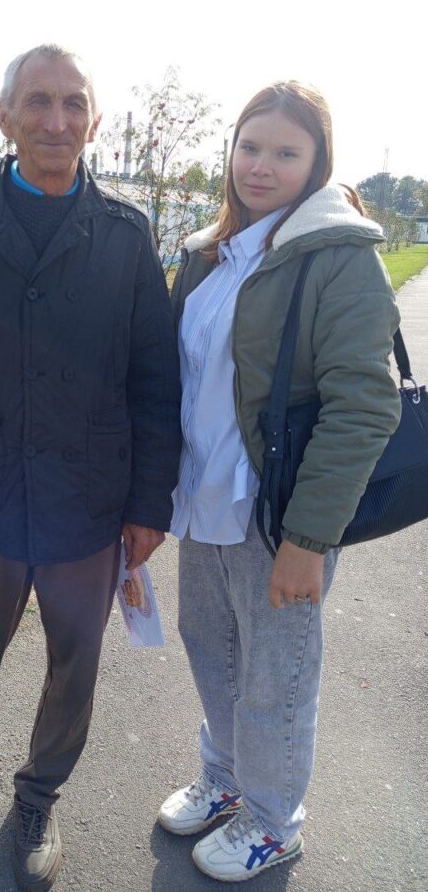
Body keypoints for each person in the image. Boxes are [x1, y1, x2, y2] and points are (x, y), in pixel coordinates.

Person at [0, 44, 176, 890]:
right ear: (5, 116)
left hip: (85, 504)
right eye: (38, 101)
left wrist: (148, 505)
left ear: (94, 120)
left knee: (73, 667)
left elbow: (154, 380)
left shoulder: (125, 233)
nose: (57, 120)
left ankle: (39, 796)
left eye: (73, 103)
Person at [157, 81, 401, 881]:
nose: (261, 166)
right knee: (211, 648)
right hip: (204, 500)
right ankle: (227, 778)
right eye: (250, 146)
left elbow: (364, 405)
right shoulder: (209, 252)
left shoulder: (339, 257)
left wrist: (308, 540)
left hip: (278, 514)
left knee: (276, 676)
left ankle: (273, 821)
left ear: (317, 163)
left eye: (286, 153)